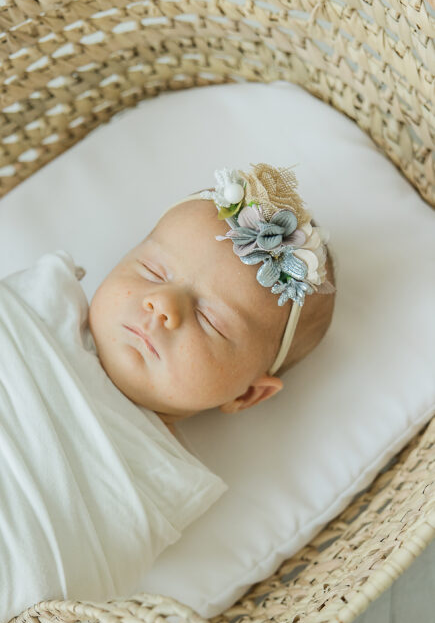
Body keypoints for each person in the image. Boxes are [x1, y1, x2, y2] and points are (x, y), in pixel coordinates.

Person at [88, 162, 336, 436]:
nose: (163, 304)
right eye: (152, 272)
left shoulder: (169, 473)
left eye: (210, 321)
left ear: (247, 394)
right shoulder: (48, 298)